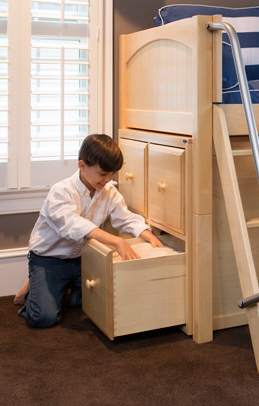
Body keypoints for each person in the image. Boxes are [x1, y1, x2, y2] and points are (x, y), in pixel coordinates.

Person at [17, 134, 163, 328]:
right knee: (44, 318)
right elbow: (73, 225)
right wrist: (118, 241)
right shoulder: (61, 191)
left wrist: (149, 236)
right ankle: (32, 289)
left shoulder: (109, 191)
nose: (109, 179)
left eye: (112, 174)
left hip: (82, 259)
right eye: (103, 174)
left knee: (102, 301)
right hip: (49, 259)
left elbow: (125, 218)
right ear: (82, 166)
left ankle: (62, 290)